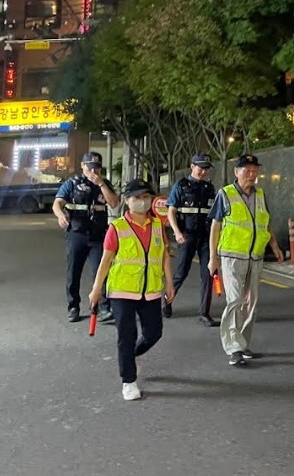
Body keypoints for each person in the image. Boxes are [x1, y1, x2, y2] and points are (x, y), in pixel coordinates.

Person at [88, 179, 175, 401]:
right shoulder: (117, 228)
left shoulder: (157, 225)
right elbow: (105, 261)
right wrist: (96, 289)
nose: (142, 202)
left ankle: (133, 355)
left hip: (151, 289)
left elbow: (164, 255)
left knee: (154, 332)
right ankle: (129, 381)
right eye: (137, 197)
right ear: (127, 201)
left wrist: (170, 282)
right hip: (122, 291)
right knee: (126, 336)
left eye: (146, 197)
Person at [207, 154, 284, 367]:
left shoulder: (260, 194)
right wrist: (213, 257)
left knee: (251, 304)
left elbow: (265, 222)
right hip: (232, 257)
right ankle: (234, 348)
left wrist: (274, 246)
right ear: (236, 172)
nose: (251, 174)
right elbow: (216, 226)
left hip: (256, 257)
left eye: (254, 170)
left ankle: (243, 344)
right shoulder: (226, 194)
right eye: (246, 170)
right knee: (234, 301)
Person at [53, 152, 119, 323]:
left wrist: (101, 184)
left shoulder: (104, 184)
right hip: (76, 233)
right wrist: (60, 215)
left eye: (96, 167)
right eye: (90, 167)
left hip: (98, 236)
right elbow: (57, 203)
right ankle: (73, 306)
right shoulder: (72, 184)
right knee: (73, 271)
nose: (93, 171)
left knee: (101, 271)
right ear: (83, 166)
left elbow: (113, 203)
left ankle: (103, 307)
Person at [165, 153, 218, 327]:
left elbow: (215, 215)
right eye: (200, 168)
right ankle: (167, 301)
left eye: (206, 169)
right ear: (192, 166)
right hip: (186, 235)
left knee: (208, 274)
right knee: (181, 273)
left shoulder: (210, 188)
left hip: (205, 237)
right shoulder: (181, 186)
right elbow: (171, 211)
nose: (203, 172)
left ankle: (204, 312)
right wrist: (176, 232)